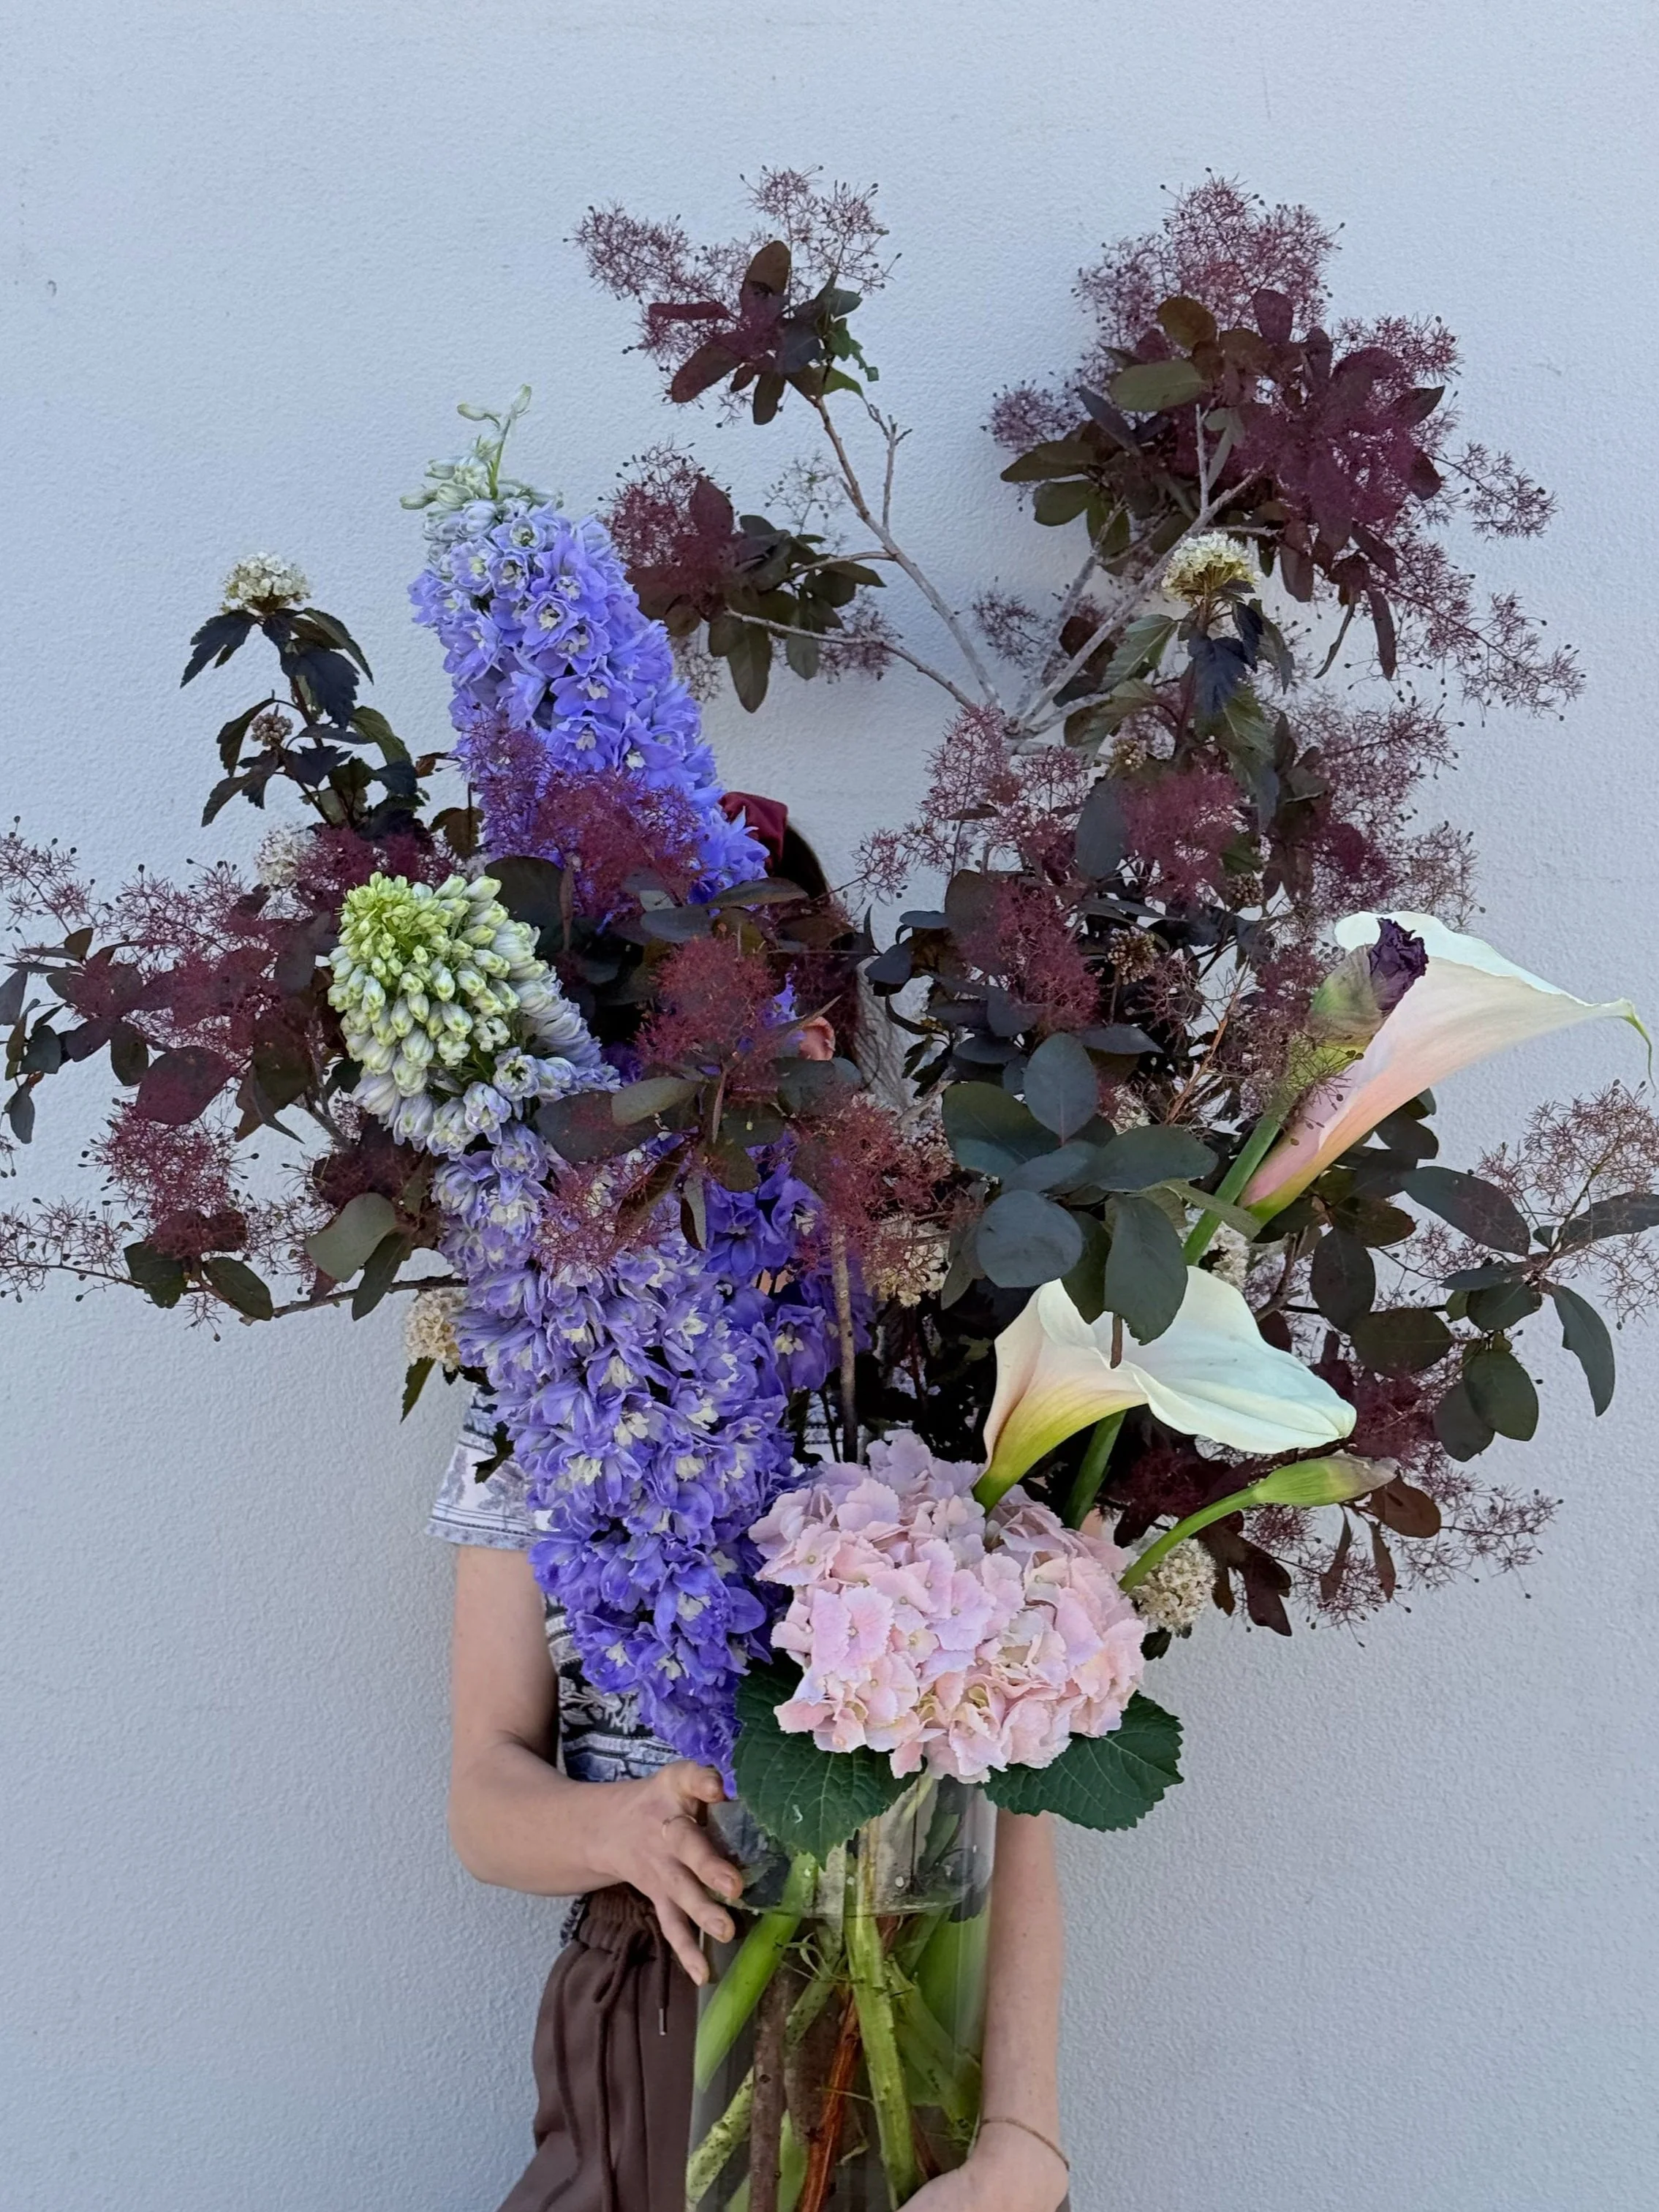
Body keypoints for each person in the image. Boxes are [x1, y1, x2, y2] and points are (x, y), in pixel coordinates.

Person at [434, 800, 1072, 2211]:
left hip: (924, 1985)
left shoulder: (937, 1358)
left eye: (768, 1010)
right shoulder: (553, 1375)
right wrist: (610, 1831)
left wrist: (1025, 2139)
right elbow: (484, 1786)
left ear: (828, 1040)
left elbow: (1023, 1792)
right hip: (655, 1997)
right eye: (673, 1036)